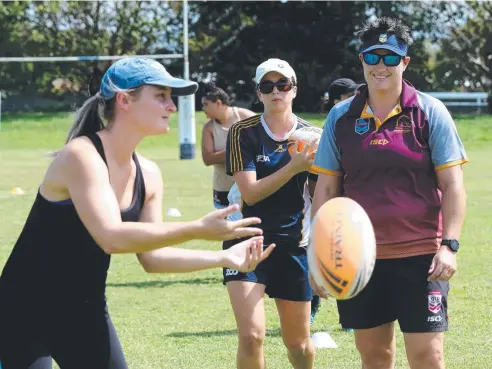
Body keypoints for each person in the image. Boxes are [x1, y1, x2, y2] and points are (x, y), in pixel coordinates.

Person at [0, 57, 275, 369]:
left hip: (84, 310)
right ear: (124, 100)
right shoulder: (81, 155)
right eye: (160, 96)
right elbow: (111, 237)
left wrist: (225, 258)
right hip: (24, 310)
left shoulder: (149, 173)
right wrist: (197, 228)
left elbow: (152, 258)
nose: (172, 107)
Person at [310, 17, 467, 369]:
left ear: (405, 62)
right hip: (358, 256)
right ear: (362, 60)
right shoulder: (340, 117)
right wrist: (318, 254)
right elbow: (327, 188)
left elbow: (453, 185)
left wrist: (450, 246)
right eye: (373, 57)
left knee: (428, 356)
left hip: (422, 257)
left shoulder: (430, 111)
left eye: (391, 58)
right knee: (374, 354)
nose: (381, 66)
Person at [224, 58, 318, 369]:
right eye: (267, 86)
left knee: (299, 344)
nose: (275, 91)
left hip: (294, 244)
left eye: (282, 84)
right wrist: (294, 167)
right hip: (245, 239)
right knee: (251, 336)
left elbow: (321, 197)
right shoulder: (243, 132)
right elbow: (250, 192)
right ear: (259, 93)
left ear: (294, 90)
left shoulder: (313, 137)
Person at [311, 77, 361, 327]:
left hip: (356, 207)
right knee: (338, 260)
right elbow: (319, 179)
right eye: (349, 95)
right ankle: (314, 306)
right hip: (331, 207)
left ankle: (351, 317)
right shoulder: (329, 129)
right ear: (337, 100)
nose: (356, 98)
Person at [201, 86, 255, 209]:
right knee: (226, 227)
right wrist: (237, 149)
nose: (203, 108)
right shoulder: (208, 128)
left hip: (249, 188)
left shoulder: (245, 116)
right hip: (222, 190)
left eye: (206, 104)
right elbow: (208, 159)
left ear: (218, 103)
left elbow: (264, 142)